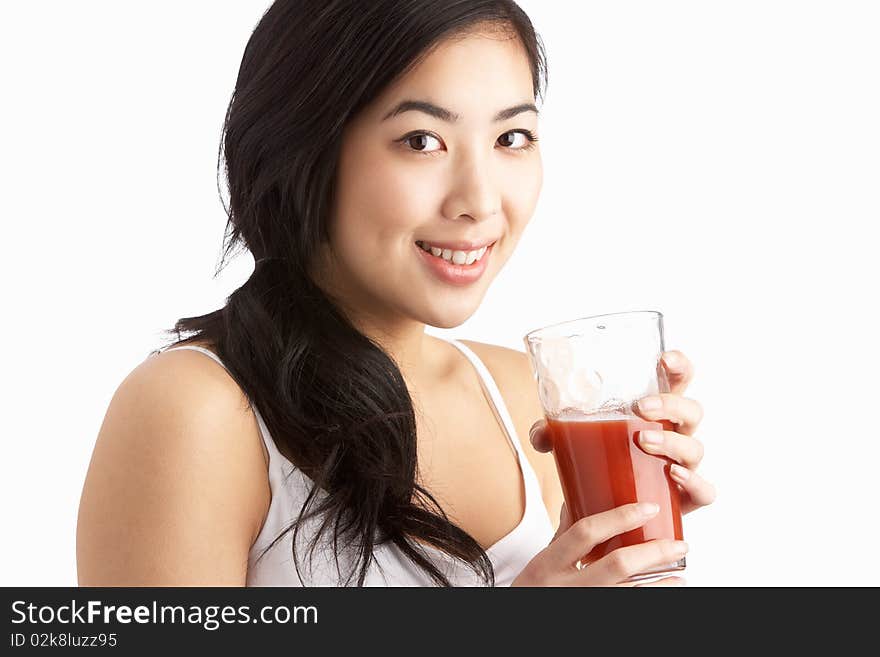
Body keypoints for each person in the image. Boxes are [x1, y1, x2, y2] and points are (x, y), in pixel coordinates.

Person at [76, 0, 715, 587]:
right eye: (421, 141)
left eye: (510, 138)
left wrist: (610, 551)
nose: (480, 201)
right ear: (303, 151)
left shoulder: (525, 399)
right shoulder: (196, 410)